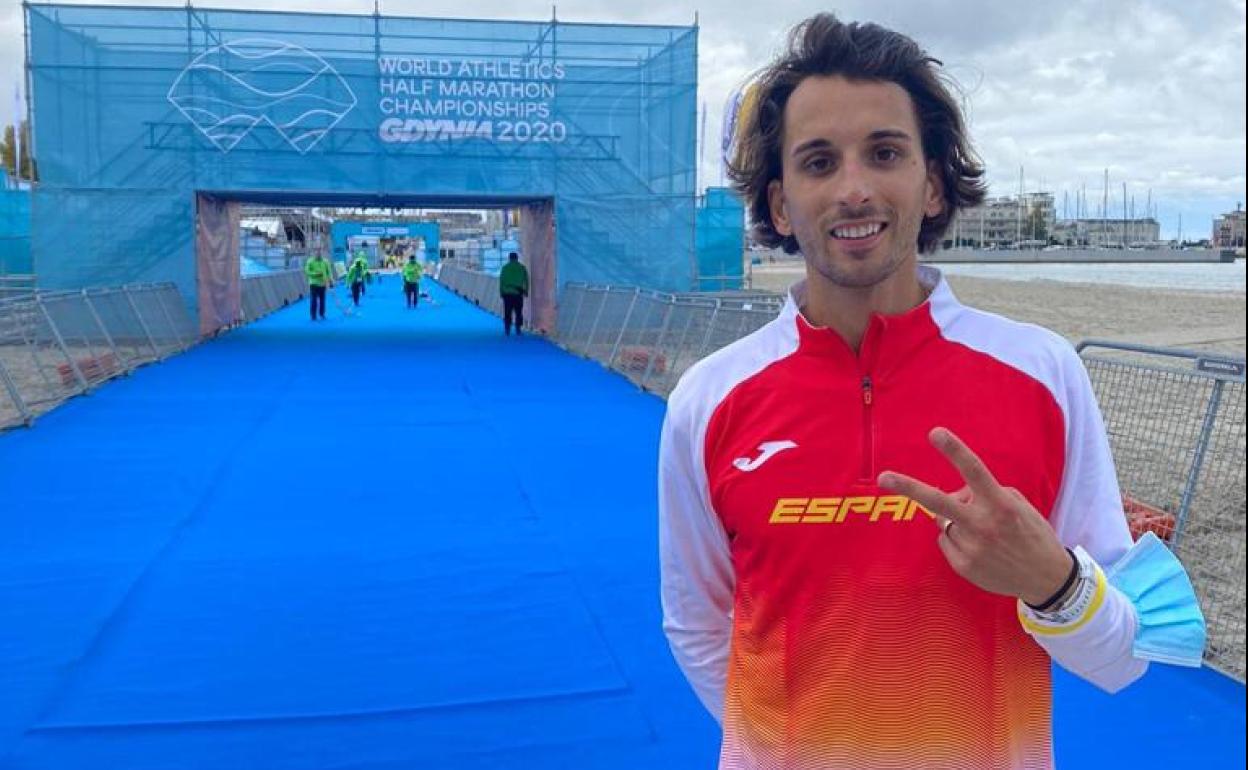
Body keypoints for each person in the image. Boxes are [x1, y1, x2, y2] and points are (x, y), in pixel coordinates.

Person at [658, 14, 1204, 770]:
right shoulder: (708, 400)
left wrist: (1054, 582)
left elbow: (1127, 657)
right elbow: (697, 621)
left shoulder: (1043, 373)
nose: (853, 188)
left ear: (934, 184)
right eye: (819, 162)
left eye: (884, 153)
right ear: (780, 205)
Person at [498, 251, 529, 336]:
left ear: (509, 258)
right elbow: (526, 280)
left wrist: (501, 292)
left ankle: (507, 329)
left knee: (507, 312)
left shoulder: (505, 268)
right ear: (517, 258)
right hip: (518, 293)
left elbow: (501, 281)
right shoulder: (522, 268)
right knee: (518, 312)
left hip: (507, 294)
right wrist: (526, 291)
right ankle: (518, 329)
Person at [304, 252, 331, 321]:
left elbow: (329, 272)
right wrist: (315, 274)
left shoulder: (325, 261)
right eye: (316, 253)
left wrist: (331, 280)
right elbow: (307, 271)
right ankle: (313, 315)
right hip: (314, 284)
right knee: (314, 300)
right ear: (314, 253)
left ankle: (322, 314)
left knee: (322, 300)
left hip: (323, 284)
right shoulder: (310, 261)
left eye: (319, 253)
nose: (318, 254)